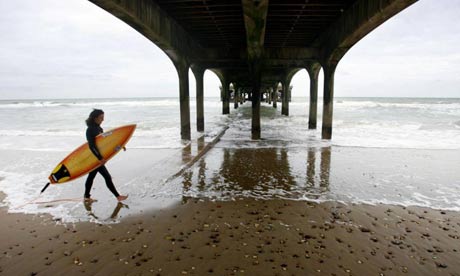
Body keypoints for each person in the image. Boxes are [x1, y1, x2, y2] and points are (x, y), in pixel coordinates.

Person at [84, 109, 128, 202]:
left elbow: (106, 144)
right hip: (95, 157)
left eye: (103, 117)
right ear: (95, 118)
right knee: (106, 177)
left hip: (98, 157)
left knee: (91, 176)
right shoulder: (90, 130)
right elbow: (91, 146)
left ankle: (86, 197)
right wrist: (100, 158)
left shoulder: (99, 128)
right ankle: (118, 196)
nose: (103, 119)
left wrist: (120, 146)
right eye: (101, 117)